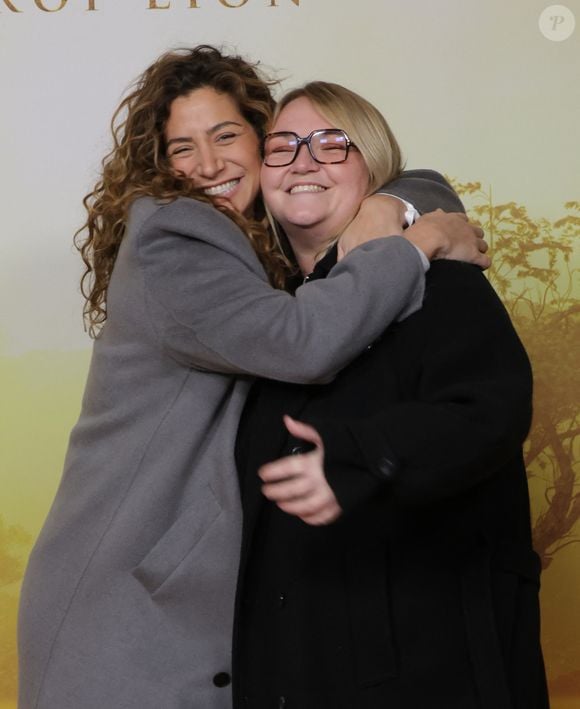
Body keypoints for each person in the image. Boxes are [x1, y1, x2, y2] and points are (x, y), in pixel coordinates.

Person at [17, 47, 486, 709]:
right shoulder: (175, 239)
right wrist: (413, 244)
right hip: (122, 617)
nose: (208, 164)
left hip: (195, 613)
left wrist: (395, 209)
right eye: (183, 146)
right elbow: (302, 342)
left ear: (267, 143)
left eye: (227, 135)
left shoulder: (260, 238)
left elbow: (416, 181)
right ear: (160, 164)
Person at [233, 82, 549, 709]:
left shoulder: (440, 280)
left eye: (331, 144)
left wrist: (364, 455)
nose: (303, 160)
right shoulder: (271, 321)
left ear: (374, 170)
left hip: (428, 672)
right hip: (301, 671)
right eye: (283, 146)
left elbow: (492, 409)